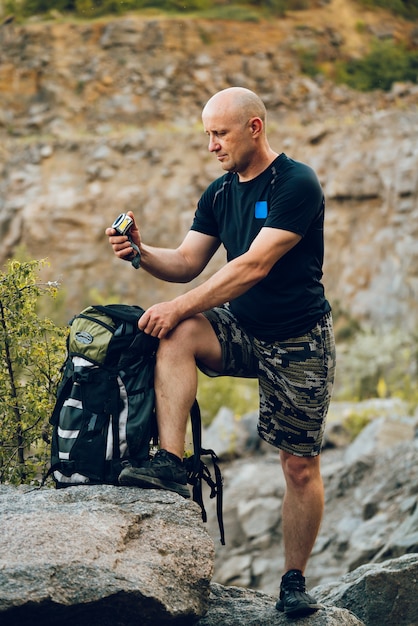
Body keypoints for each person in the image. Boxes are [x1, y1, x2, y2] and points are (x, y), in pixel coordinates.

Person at [105, 87, 336, 617]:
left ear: (254, 127)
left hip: (298, 338)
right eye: (207, 134)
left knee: (298, 466)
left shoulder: (296, 183)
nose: (211, 144)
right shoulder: (219, 192)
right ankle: (169, 463)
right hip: (242, 328)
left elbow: (253, 265)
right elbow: (187, 261)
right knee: (178, 332)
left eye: (219, 133)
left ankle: (293, 580)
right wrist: (141, 253)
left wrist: (177, 303)